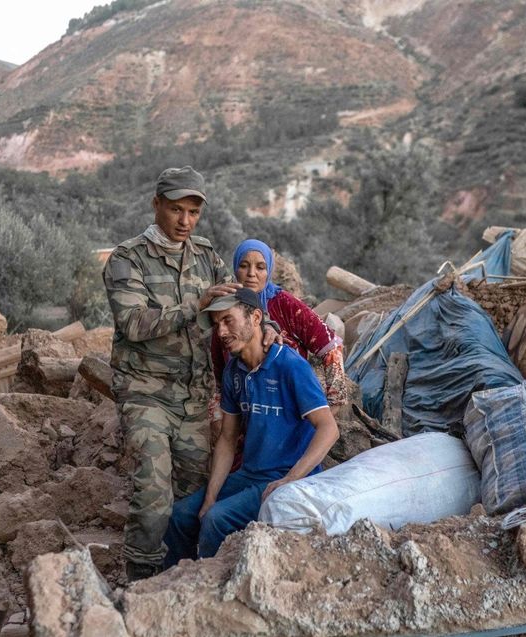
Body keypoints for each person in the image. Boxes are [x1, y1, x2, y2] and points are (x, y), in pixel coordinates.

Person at [103, 166, 243, 582]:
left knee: (194, 493)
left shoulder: (205, 255)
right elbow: (133, 323)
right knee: (153, 490)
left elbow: (231, 303)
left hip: (194, 395)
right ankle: (140, 581)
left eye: (193, 213)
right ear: (156, 205)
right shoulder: (128, 259)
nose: (185, 221)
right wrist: (194, 306)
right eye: (176, 210)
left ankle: (180, 573)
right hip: (145, 391)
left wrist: (266, 321)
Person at [163, 288, 340, 566]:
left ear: (255, 317)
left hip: (284, 477)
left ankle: (208, 588)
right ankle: (174, 584)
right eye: (217, 324)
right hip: (249, 474)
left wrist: (290, 480)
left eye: (228, 320)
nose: (220, 332)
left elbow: (329, 429)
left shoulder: (290, 366)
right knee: (182, 514)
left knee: (215, 519)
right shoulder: (234, 371)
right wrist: (210, 496)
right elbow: (227, 438)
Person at [211, 239, 347, 427]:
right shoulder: (226, 310)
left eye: (260, 267)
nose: (251, 274)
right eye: (244, 266)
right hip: (246, 413)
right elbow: (219, 375)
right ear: (235, 268)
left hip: (288, 410)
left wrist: (333, 404)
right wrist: (219, 418)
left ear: (269, 272)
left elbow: (330, 345)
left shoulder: (283, 303)